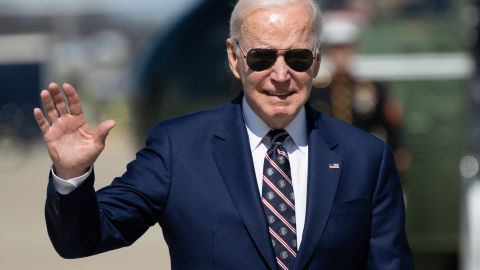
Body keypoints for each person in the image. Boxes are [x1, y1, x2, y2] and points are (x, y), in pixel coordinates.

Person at [33, 0, 413, 269]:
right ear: (234, 58)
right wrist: (71, 176)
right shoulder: (177, 149)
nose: (280, 75)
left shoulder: (365, 158)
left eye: (296, 58)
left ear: (315, 60)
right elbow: (80, 240)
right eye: (262, 57)